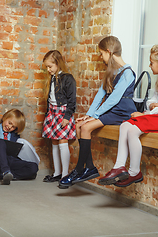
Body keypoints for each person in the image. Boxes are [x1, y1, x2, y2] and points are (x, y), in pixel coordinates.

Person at [98, 43, 158, 187]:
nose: (150, 65)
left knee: (133, 130)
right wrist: (151, 106)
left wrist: (146, 114)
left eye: (152, 62)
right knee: (125, 124)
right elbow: (153, 99)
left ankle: (134, 172)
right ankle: (119, 166)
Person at [58, 36, 137, 189]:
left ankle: (80, 169)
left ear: (109, 51)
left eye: (101, 54)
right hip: (112, 110)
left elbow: (114, 99)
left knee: (86, 128)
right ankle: (89, 168)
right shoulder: (112, 72)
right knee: (80, 123)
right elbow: (100, 95)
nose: (101, 57)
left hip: (122, 111)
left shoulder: (128, 72)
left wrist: (96, 116)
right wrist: (89, 114)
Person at [41, 50, 77, 183]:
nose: (48, 69)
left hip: (63, 113)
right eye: (47, 67)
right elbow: (50, 99)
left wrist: (67, 117)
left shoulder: (68, 78)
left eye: (50, 66)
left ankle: (65, 174)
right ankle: (57, 173)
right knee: (54, 141)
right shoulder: (52, 78)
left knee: (63, 141)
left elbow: (72, 101)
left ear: (58, 63)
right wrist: (47, 114)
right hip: (52, 112)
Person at [0, 109, 39, 185]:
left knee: (33, 167)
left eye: (13, 127)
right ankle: (6, 171)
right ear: (5, 118)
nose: (9, 127)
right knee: (0, 142)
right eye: (9, 123)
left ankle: (0, 175)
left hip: (10, 160)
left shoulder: (15, 136)